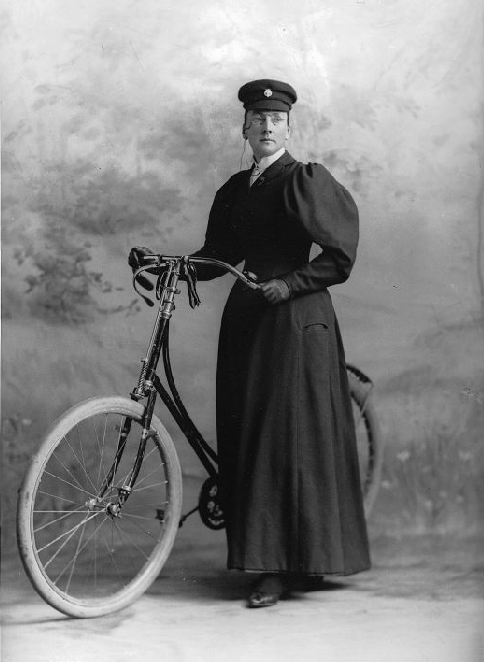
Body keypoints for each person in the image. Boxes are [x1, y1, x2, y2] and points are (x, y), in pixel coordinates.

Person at [130, 78, 370, 608]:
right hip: (248, 321)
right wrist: (169, 263)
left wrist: (291, 284)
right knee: (247, 433)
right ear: (244, 126)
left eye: (276, 119)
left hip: (296, 321)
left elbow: (339, 257)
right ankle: (266, 553)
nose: (266, 126)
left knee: (283, 438)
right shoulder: (236, 189)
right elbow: (219, 254)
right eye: (257, 119)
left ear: (288, 126)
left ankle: (278, 568)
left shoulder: (303, 180)